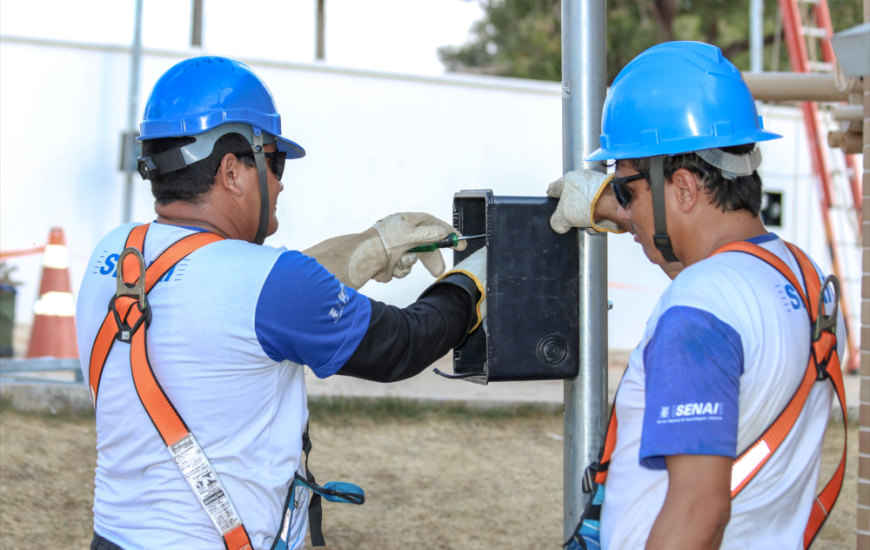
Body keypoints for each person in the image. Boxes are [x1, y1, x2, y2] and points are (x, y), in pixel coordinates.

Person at [76, 56, 486, 550]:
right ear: (231, 170)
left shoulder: (112, 253)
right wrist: (473, 280)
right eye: (273, 160)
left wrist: (366, 248)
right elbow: (404, 343)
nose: (280, 181)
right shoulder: (266, 284)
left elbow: (225, 293)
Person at [546, 42, 845, 549]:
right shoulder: (801, 276)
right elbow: (719, 266)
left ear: (683, 188)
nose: (625, 208)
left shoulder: (699, 308)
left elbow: (698, 511)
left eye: (625, 190)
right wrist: (616, 206)